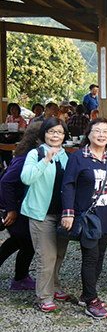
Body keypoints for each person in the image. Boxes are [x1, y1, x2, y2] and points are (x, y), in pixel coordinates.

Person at [61, 118, 107, 319]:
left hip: (106, 216)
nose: (102, 134)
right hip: (87, 216)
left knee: (100, 258)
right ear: (89, 133)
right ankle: (91, 301)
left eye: (106, 131)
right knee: (90, 258)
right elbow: (68, 185)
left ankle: (87, 295)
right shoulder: (78, 157)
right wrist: (68, 213)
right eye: (97, 131)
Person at [21, 117, 70, 312]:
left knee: (58, 254)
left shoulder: (66, 155)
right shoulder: (35, 153)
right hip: (41, 214)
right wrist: (45, 160)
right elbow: (26, 178)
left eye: (59, 132)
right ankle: (44, 296)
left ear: (64, 136)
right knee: (46, 256)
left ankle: (56, 286)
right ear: (44, 134)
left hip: (62, 214)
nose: (55, 135)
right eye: (51, 131)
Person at [0, 124, 41, 291]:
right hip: (15, 207)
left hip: (20, 206)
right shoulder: (25, 159)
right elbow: (6, 182)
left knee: (16, 241)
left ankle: (20, 277)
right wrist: (11, 210)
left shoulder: (29, 154)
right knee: (28, 242)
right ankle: (20, 278)